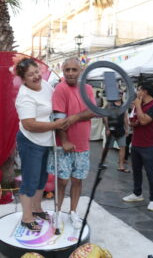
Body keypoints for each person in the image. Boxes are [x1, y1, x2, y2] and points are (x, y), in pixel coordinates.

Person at [15, 58, 70, 232]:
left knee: (42, 179)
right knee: (30, 180)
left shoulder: (46, 85)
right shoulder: (24, 96)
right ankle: (26, 217)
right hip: (31, 142)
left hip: (46, 141)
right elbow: (29, 124)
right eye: (30, 75)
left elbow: (56, 102)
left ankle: (37, 209)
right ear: (23, 79)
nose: (36, 76)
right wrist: (55, 125)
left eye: (37, 71)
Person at [48, 57, 96, 229]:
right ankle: (57, 212)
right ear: (62, 70)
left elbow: (93, 111)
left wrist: (76, 116)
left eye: (73, 70)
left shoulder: (88, 89)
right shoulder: (60, 89)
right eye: (67, 70)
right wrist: (65, 140)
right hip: (64, 146)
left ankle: (74, 212)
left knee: (77, 180)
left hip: (83, 145)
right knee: (62, 181)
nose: (70, 73)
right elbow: (58, 117)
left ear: (80, 71)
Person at [123, 81, 153, 211]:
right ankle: (137, 193)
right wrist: (134, 122)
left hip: (149, 145)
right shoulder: (140, 105)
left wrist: (138, 107)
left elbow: (144, 120)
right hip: (136, 142)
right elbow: (134, 120)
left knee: (150, 172)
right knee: (136, 170)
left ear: (145, 91)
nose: (137, 92)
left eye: (139, 89)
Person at [98, 94, 130, 173]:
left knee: (122, 147)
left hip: (120, 129)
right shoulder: (109, 104)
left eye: (121, 94)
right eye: (118, 93)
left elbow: (125, 117)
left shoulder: (124, 105)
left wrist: (127, 128)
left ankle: (121, 165)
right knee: (107, 147)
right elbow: (105, 116)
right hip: (111, 130)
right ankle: (102, 162)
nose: (119, 95)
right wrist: (107, 128)